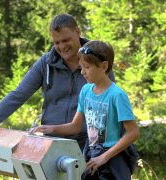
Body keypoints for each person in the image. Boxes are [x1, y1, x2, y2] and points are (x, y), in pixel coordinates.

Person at [0, 14, 116, 154]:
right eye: (56, 42)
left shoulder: (98, 60)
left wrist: (105, 151)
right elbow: (18, 95)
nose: (62, 47)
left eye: (66, 40)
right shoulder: (45, 63)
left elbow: (110, 107)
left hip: (88, 146)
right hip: (50, 144)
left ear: (77, 32)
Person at [29, 40, 140, 180]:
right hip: (91, 156)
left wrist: (104, 157)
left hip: (111, 161)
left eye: (87, 67)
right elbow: (75, 127)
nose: (82, 72)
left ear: (104, 66)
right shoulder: (86, 91)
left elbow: (133, 132)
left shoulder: (117, 95)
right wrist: (50, 128)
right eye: (81, 67)